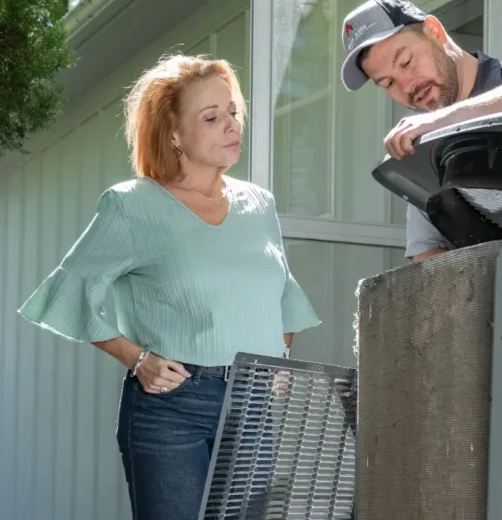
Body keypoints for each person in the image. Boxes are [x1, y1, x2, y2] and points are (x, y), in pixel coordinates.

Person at [17, 54, 320, 520]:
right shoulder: (131, 206)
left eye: (233, 112)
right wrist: (136, 358)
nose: (231, 125)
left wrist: (277, 356)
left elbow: (281, 296)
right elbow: (69, 292)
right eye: (212, 117)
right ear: (174, 133)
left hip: (253, 405)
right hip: (171, 408)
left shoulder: (259, 204)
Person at [340, 0, 502, 262]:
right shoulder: (426, 150)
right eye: (389, 83)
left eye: (406, 62)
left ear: (434, 31)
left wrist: (440, 121)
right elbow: (426, 255)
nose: (407, 87)